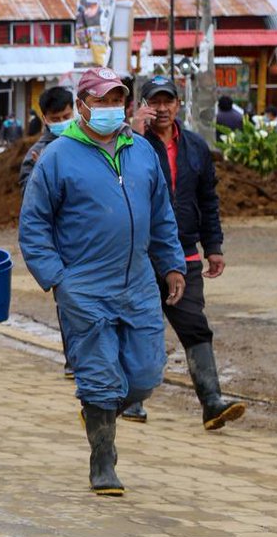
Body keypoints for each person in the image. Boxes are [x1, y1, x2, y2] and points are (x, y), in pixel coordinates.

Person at [19, 67, 186, 496]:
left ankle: (100, 412)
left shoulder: (142, 152)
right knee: (98, 376)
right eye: (103, 101)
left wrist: (171, 264)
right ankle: (103, 461)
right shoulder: (56, 157)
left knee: (146, 375)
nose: (112, 109)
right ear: (82, 107)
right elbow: (33, 225)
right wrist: (58, 279)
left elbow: (162, 215)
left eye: (118, 100)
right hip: (85, 286)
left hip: (137, 283)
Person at [131, 77, 246, 430]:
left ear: (178, 105)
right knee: (138, 325)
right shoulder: (129, 144)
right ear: (143, 105)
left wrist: (214, 247)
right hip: (137, 253)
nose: (162, 109)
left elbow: (208, 202)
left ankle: (211, 402)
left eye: (168, 101)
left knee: (195, 325)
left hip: (183, 254)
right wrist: (133, 133)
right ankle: (132, 399)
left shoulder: (195, 147)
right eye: (155, 102)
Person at [17, 85, 76, 378]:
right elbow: (29, 204)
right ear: (45, 119)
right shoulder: (37, 155)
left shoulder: (92, 144)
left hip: (94, 238)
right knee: (70, 304)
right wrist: (43, 174)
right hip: (62, 245)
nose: (64, 121)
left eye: (68, 114)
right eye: (57, 117)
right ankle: (74, 360)